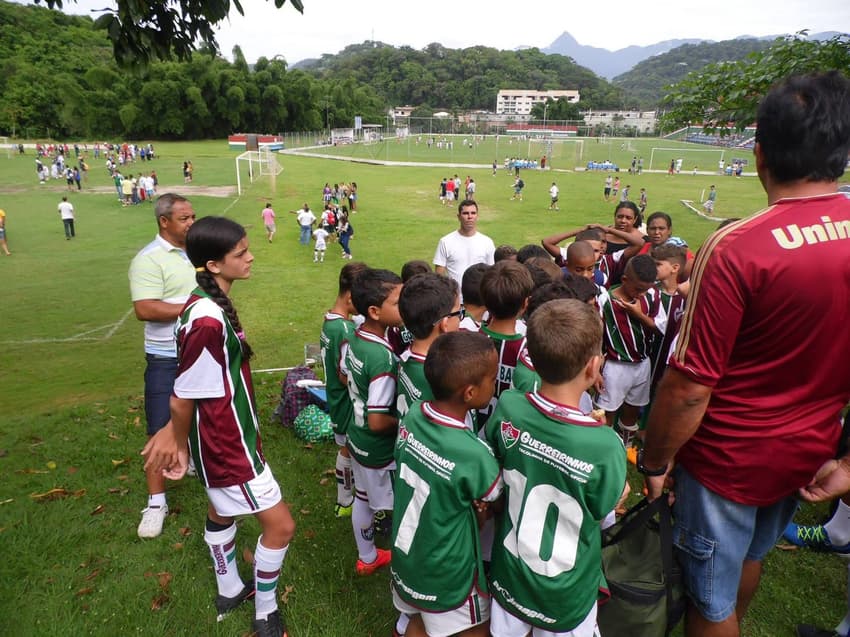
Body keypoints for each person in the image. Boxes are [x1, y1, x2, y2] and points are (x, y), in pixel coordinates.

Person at [641, 72, 850, 637]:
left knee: (710, 601)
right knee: (750, 558)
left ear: (758, 153)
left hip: (729, 462)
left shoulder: (738, 246)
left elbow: (688, 387)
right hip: (807, 453)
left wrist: (656, 463)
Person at [141, 216, 295, 637]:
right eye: (240, 253)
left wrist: (185, 441)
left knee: (219, 508)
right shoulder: (208, 320)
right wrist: (176, 441)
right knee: (281, 527)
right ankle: (265, 613)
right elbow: (182, 394)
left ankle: (229, 587)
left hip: (216, 438)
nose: (250, 257)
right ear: (213, 265)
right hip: (228, 442)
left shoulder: (201, 302)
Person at [485, 299, 627, 637]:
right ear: (594, 368)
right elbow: (604, 515)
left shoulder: (509, 407)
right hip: (566, 590)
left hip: (510, 575)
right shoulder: (606, 445)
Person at [391, 331, 502, 637]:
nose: (494, 386)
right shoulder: (473, 454)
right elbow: (494, 498)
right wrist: (483, 508)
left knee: (417, 619)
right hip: (446, 568)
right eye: (492, 379)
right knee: (478, 629)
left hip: (408, 555)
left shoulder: (413, 416)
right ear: (469, 393)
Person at [129, 194, 197, 539]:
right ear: (164, 222)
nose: (191, 223)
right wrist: (195, 307)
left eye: (193, 217)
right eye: (184, 218)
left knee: (205, 417)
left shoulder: (197, 254)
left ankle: (193, 461)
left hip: (200, 352)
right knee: (159, 428)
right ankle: (156, 503)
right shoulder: (149, 260)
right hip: (166, 357)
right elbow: (145, 308)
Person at [340, 268, 404, 577]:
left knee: (362, 499)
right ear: (375, 311)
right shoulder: (382, 358)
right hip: (378, 448)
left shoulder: (356, 336)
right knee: (399, 506)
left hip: (356, 436)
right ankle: (407, 568)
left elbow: (343, 375)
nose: (404, 306)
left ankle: (367, 556)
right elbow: (379, 421)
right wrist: (404, 422)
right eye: (398, 302)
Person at [596, 254, 662, 445]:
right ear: (625, 280)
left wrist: (639, 314)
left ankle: (626, 446)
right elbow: (597, 334)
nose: (642, 294)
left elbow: (659, 328)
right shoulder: (605, 300)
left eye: (646, 289)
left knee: (633, 408)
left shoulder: (653, 295)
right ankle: (604, 445)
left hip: (642, 364)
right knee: (607, 410)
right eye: (638, 288)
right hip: (615, 366)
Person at [321, 262, 369, 518]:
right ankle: (348, 501)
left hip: (335, 400)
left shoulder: (331, 321)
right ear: (351, 297)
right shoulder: (344, 330)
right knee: (350, 451)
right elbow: (345, 376)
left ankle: (345, 500)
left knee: (345, 449)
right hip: (345, 403)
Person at [395, 273, 462, 419]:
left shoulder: (409, 354)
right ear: (445, 324)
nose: (460, 319)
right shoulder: (442, 377)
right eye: (459, 313)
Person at [477, 261, 533, 427]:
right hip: (509, 435)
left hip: (473, 431)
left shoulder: (469, 340)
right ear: (525, 304)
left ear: (485, 302)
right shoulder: (528, 352)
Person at [433, 199, 495, 289]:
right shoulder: (445, 242)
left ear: (477, 216)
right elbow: (439, 276)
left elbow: (491, 273)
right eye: (465, 213)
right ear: (458, 217)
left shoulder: (487, 242)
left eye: (473, 213)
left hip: (480, 299)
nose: (470, 217)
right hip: (454, 299)